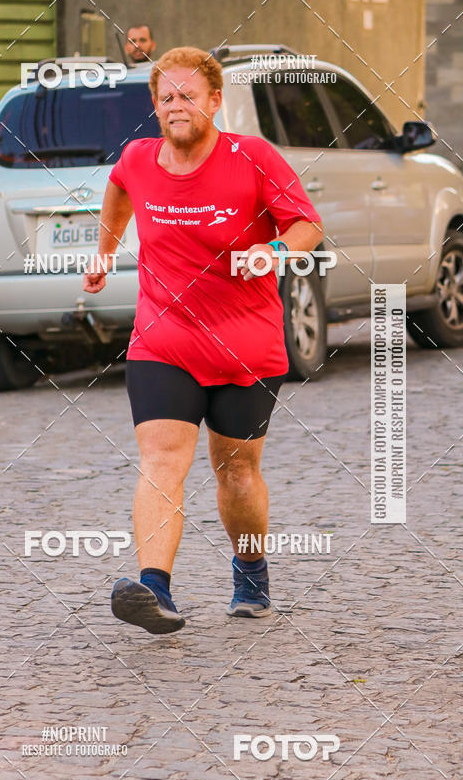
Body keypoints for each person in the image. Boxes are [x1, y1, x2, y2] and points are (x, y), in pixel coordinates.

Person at [84, 46, 323, 634]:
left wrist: (271, 253)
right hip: (162, 340)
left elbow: (307, 226)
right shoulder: (138, 158)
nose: (176, 105)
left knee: (236, 472)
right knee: (161, 459)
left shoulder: (254, 156)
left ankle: (250, 569)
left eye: (188, 95)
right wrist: (105, 251)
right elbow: (117, 192)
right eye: (166, 97)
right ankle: (154, 589)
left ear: (215, 101)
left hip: (246, 344)